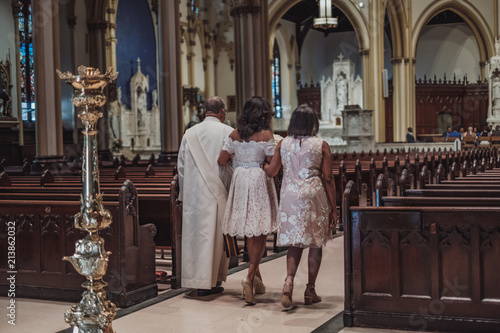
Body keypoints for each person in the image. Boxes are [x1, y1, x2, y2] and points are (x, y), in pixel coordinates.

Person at [264, 104, 337, 308]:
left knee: (295, 244)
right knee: (315, 244)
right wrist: (334, 207)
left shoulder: (283, 144)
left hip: (290, 196)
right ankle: (310, 290)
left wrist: (257, 164)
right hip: (313, 195)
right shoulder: (321, 144)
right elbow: (328, 178)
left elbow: (272, 171)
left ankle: (288, 282)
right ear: (313, 123)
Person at [218, 96, 278, 305]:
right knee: (259, 230)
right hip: (258, 179)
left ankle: (257, 279)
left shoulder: (234, 133)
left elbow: (221, 160)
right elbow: (272, 163)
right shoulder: (264, 135)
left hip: (240, 180)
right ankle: (250, 276)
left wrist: (239, 163)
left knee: (249, 228)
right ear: (263, 115)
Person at [177, 96, 233, 297]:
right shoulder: (227, 131)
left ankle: (199, 281)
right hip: (218, 193)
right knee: (215, 239)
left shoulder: (189, 134)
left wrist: (185, 193)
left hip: (194, 195)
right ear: (222, 113)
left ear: (204, 112)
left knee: (197, 239)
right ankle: (214, 280)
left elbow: (181, 168)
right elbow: (232, 165)